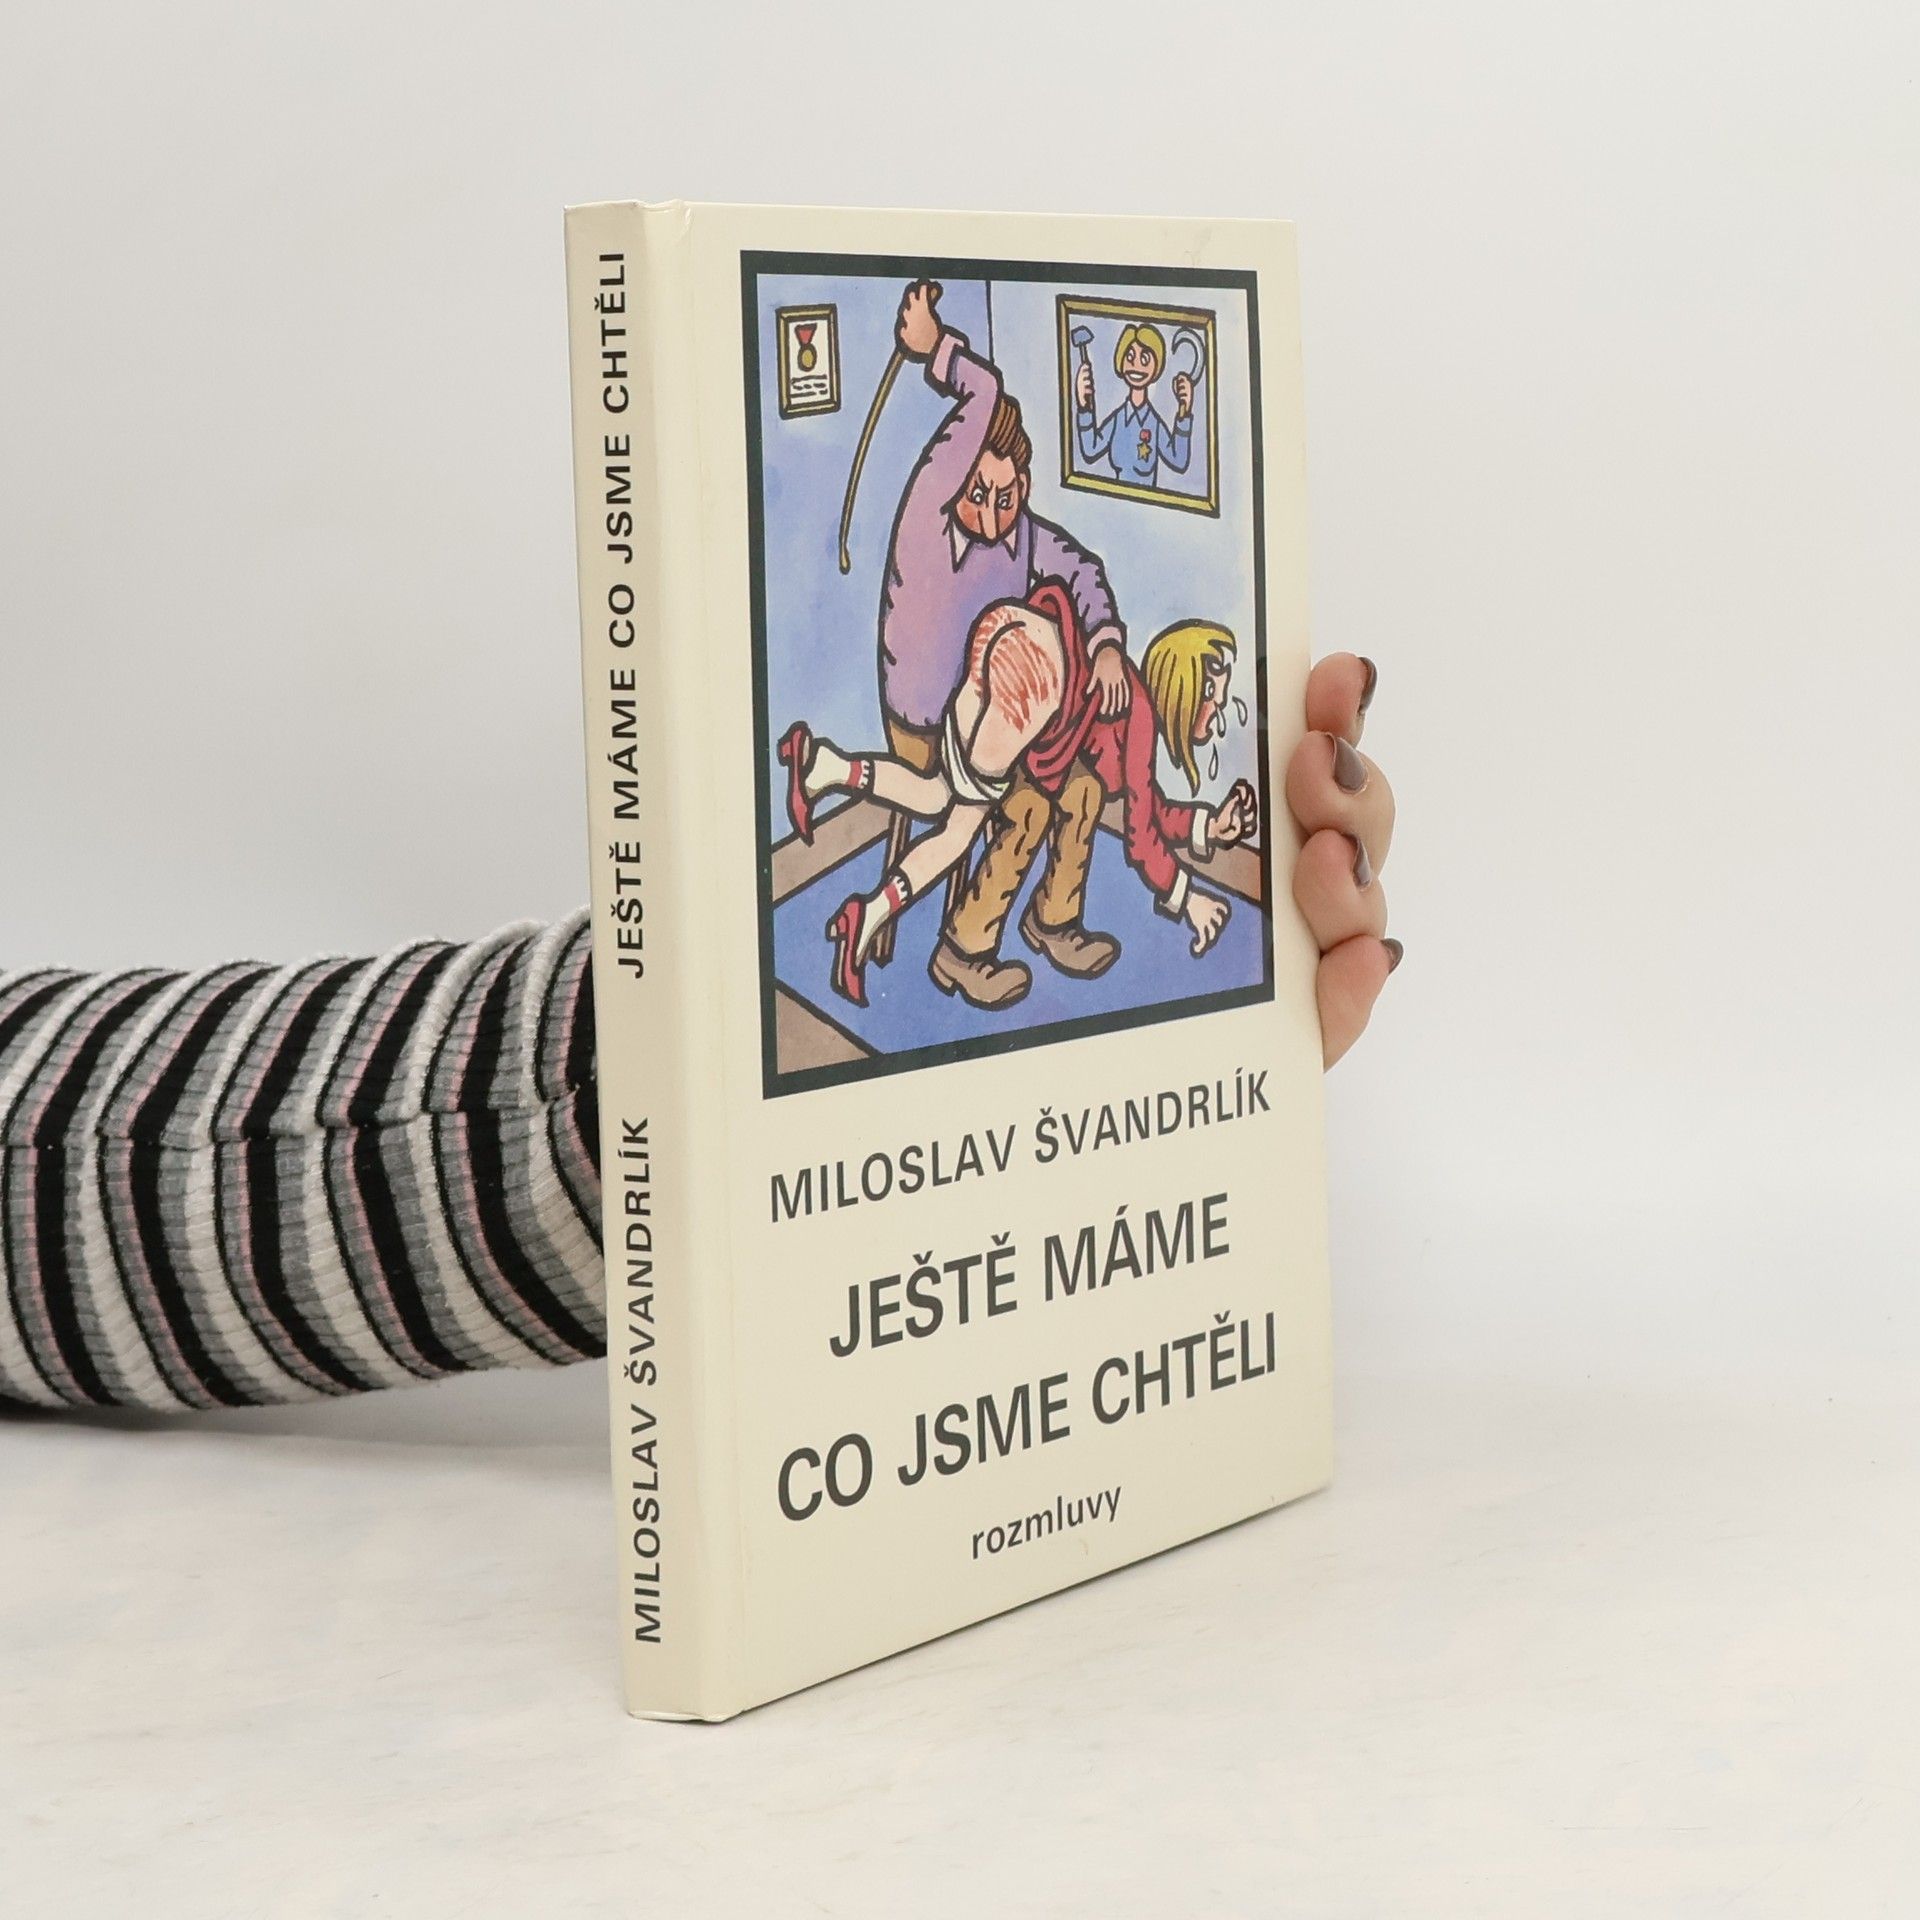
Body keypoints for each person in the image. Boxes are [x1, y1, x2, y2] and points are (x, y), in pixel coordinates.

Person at [829, 278, 1133, 1010]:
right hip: (925, 724)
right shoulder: (926, 517)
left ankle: (1053, 919)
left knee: (1082, 787)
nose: (995, 515)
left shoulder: (1021, 535)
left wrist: (1105, 643)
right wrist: (935, 348)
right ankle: (963, 951)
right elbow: (984, 392)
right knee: (1025, 808)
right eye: (979, 496)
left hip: (991, 718)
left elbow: (1082, 570)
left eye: (1008, 496)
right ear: (952, 480)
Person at [781, 583, 1261, 1008]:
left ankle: (827, 769)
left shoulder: (1132, 706)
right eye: (1212, 696)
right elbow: (1141, 837)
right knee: (999, 816)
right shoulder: (1136, 712)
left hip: (1010, 656)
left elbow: (1147, 805)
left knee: (1055, 793)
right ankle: (959, 950)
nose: (1217, 712)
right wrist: (1188, 899)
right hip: (1029, 693)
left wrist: (1209, 825)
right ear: (1184, 686)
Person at [1075, 321, 1195, 487]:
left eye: (1144, 359)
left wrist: (1185, 409)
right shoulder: (1117, 419)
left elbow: (1178, 460)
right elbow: (1090, 449)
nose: (1136, 365)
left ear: (1156, 368)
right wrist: (1083, 405)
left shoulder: (1154, 424)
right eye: (1130, 357)